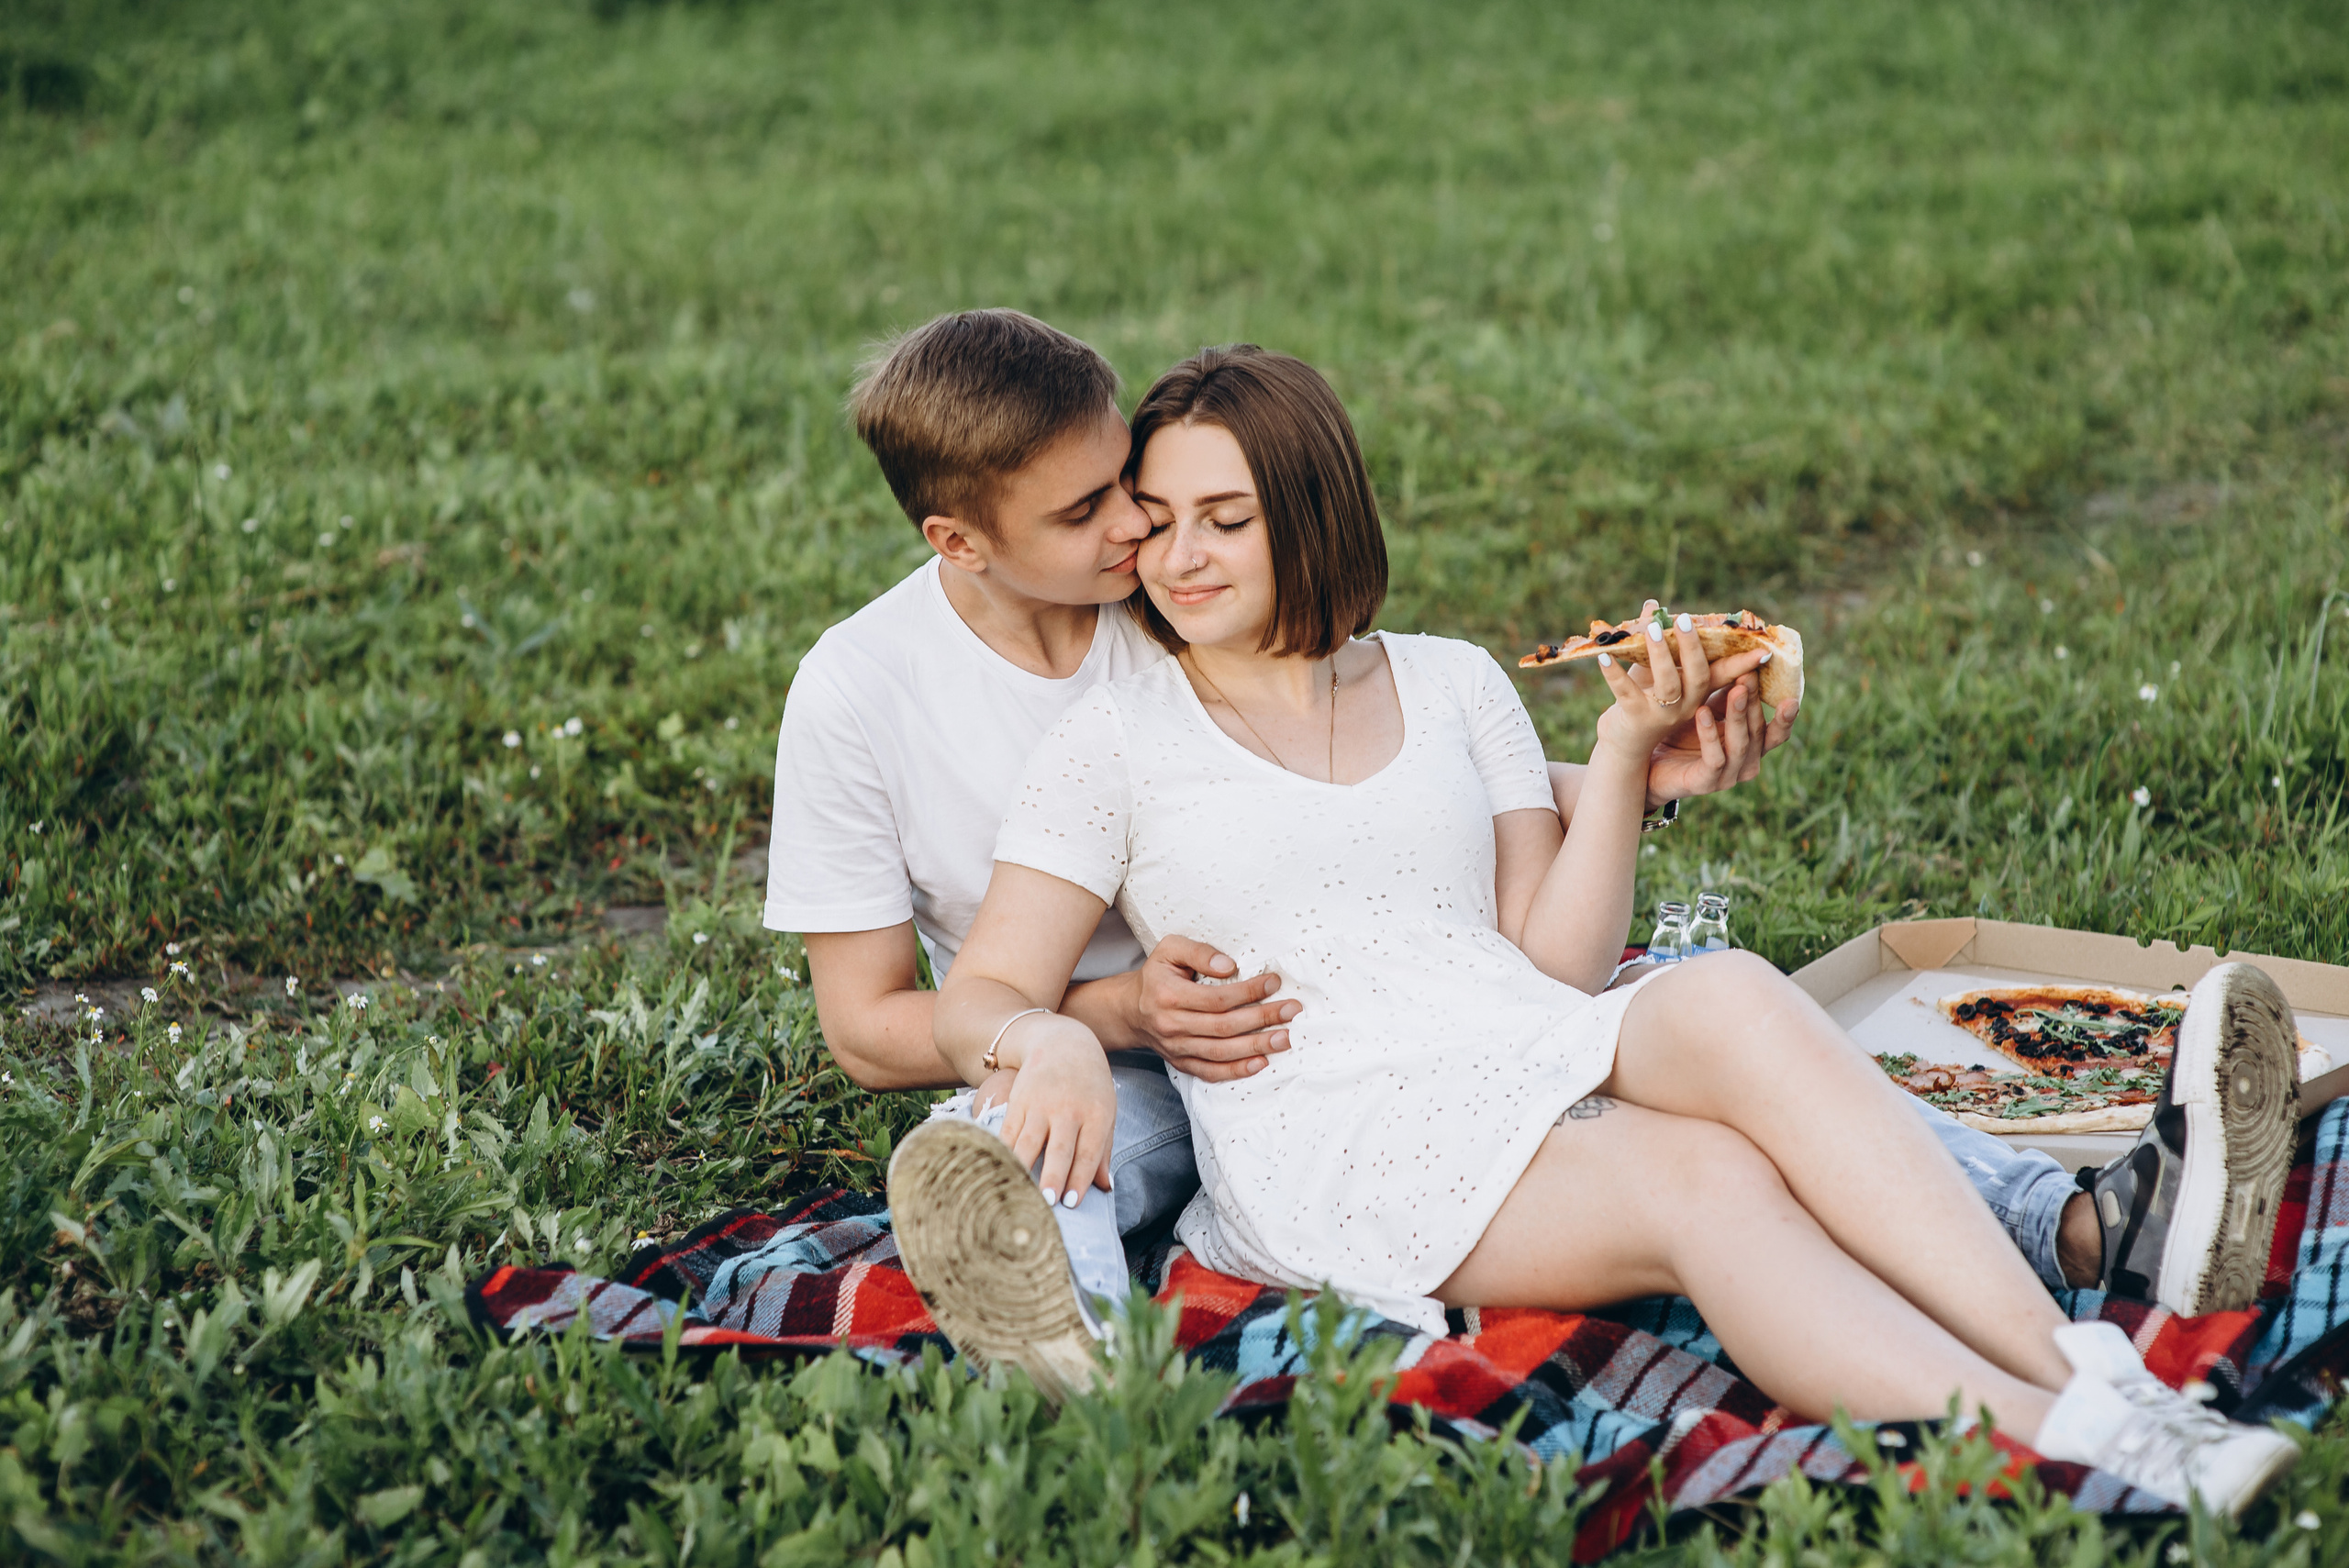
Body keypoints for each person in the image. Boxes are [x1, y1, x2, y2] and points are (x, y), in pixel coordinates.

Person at [769, 309, 2296, 1406]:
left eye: (1164, 499)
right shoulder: (892, 695)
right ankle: (1088, 1364)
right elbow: (881, 1018)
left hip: (1410, 1012)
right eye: (1103, 510)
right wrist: (1079, 1025)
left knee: (1705, 1002)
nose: (1141, 541)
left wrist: (1629, 759)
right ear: (960, 543)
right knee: (1048, 1141)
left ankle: (2073, 1298)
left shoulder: (1243, 618)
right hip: (1170, 1070)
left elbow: (1385, 808)